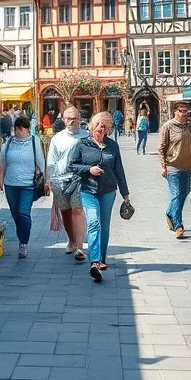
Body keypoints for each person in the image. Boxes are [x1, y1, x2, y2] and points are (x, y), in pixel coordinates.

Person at [67, 111, 130, 282]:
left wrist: (125, 193)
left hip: (108, 191)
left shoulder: (113, 146)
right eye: (98, 127)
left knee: (105, 225)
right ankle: (94, 262)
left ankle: (102, 258)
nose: (100, 131)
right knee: (94, 223)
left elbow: (119, 170)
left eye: (104, 128)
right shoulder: (82, 144)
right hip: (88, 190)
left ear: (108, 129)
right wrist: (89, 170)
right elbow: (72, 166)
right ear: (92, 127)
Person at [0, 115, 46, 258]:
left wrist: (43, 178)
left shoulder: (33, 141)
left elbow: (40, 161)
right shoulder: (9, 142)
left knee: (23, 213)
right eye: (16, 129)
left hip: (27, 184)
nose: (18, 132)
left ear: (27, 129)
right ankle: (22, 236)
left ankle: (23, 243)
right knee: (15, 214)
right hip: (10, 184)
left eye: (21, 129)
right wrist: (0, 180)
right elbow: (2, 162)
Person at [45, 106, 87, 261]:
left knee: (77, 210)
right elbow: (51, 161)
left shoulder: (86, 136)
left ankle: (80, 247)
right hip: (60, 180)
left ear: (79, 118)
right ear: (63, 120)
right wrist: (48, 180)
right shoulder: (57, 138)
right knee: (65, 211)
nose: (72, 121)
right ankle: (72, 240)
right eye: (68, 118)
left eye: (75, 118)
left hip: (78, 180)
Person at [159, 103, 191, 239]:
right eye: (181, 111)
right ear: (175, 112)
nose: (184, 113)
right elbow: (161, 148)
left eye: (186, 110)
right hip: (173, 166)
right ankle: (178, 226)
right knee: (176, 195)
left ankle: (169, 213)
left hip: (187, 167)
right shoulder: (168, 127)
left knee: (185, 193)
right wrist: (163, 166)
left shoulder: (190, 127)